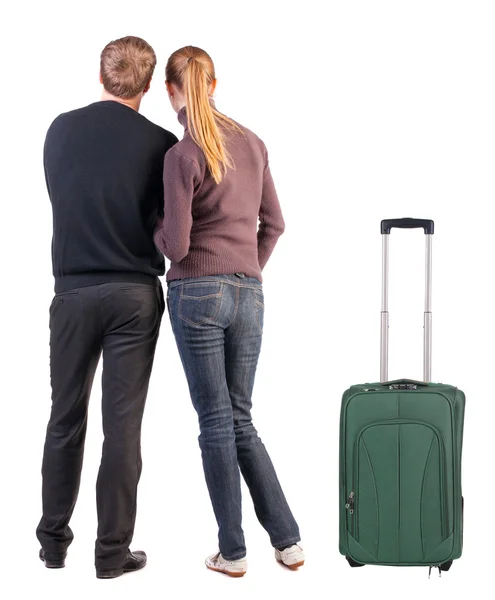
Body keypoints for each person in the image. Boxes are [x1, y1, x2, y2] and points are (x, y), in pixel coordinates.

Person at [154, 46, 304, 577]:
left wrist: (151, 229)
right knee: (241, 418)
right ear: (213, 84)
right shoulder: (254, 142)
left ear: (171, 91)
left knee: (217, 420)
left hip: (197, 292)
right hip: (250, 294)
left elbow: (174, 245)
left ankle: (233, 551)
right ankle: (287, 541)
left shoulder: (183, 154)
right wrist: (247, 271)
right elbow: (276, 224)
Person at [36, 36, 178, 579]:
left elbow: (61, 195)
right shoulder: (162, 143)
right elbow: (167, 224)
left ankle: (52, 545)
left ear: (101, 75)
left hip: (71, 290)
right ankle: (112, 553)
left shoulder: (59, 129)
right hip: (133, 295)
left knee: (64, 418)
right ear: (147, 87)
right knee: (122, 427)